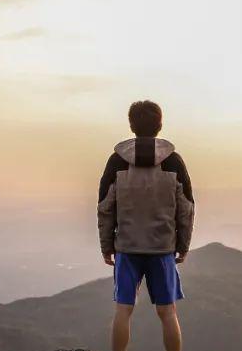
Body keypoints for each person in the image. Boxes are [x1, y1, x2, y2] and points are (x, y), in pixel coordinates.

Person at [97, 100, 195, 351]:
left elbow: (105, 207)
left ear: (131, 125)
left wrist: (106, 245)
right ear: (160, 125)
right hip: (162, 248)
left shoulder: (116, 162)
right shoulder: (173, 162)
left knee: (123, 310)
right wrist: (183, 245)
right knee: (168, 312)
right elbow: (186, 208)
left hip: (127, 247)